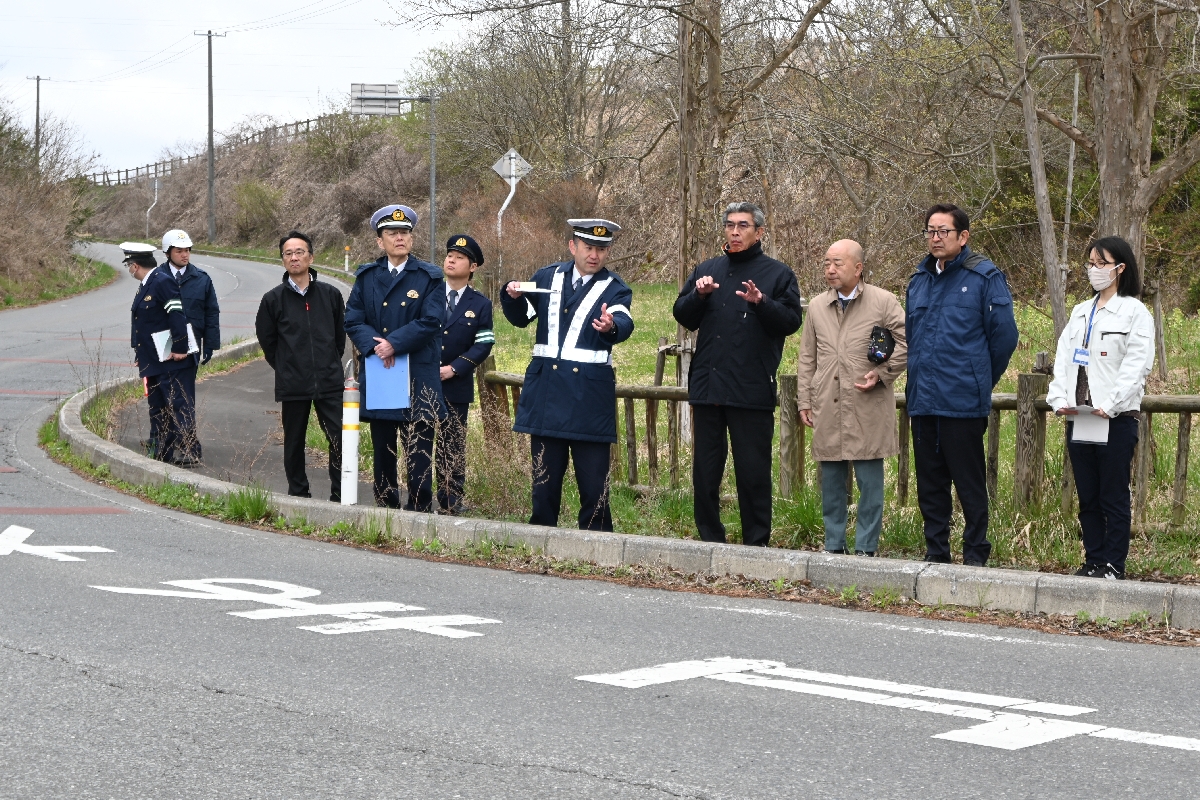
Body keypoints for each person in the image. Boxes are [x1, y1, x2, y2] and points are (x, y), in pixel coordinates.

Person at [673, 202, 803, 547]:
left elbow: (791, 322)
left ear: (759, 232)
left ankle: (756, 544)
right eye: (729, 225)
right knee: (705, 471)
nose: (734, 231)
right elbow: (683, 315)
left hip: (751, 388)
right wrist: (699, 296)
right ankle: (710, 539)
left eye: (743, 225)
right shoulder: (709, 269)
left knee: (753, 473)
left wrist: (761, 303)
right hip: (708, 387)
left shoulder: (779, 274)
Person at [500, 218, 634, 531]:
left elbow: (623, 321)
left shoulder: (615, 288)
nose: (595, 255)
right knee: (544, 483)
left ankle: (598, 544)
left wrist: (611, 327)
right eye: (589, 247)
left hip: (589, 400)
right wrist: (512, 297)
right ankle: (541, 537)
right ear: (573, 246)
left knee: (594, 485)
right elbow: (522, 318)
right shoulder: (547, 276)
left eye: (602, 249)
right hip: (547, 395)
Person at [905, 203, 1019, 567]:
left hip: (962, 401)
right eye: (930, 231)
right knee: (930, 485)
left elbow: (1004, 338)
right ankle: (935, 553)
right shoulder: (919, 280)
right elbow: (912, 337)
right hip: (923, 401)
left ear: (963, 236)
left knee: (968, 484)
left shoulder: (984, 277)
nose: (935, 238)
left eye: (943, 232)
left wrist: (980, 377)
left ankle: (974, 555)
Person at [1047, 236, 1154, 580]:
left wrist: (1109, 405)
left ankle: (1113, 564)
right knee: (1088, 495)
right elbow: (1064, 360)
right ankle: (1092, 560)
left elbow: (1137, 366)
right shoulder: (1081, 312)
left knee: (1113, 495)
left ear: (1120, 268)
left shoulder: (1135, 312)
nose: (1093, 270)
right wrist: (1060, 399)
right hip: (1080, 417)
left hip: (1116, 418)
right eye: (1090, 264)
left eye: (1101, 264)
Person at [797, 239, 907, 556]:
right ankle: (834, 545)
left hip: (867, 402)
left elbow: (908, 343)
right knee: (831, 480)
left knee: (870, 482)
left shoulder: (884, 302)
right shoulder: (817, 306)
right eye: (827, 263)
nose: (830, 269)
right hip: (827, 400)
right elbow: (807, 358)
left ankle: (866, 548)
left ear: (858, 268)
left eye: (838, 263)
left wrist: (883, 373)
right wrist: (805, 399)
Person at [345, 204, 447, 511]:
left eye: (404, 233)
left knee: (419, 452)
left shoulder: (429, 277)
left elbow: (431, 321)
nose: (399, 238)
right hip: (382, 373)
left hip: (418, 374)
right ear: (380, 241)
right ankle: (386, 509)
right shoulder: (367, 277)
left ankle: (419, 510)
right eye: (392, 233)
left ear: (411, 239)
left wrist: (393, 344)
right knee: (383, 450)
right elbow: (353, 319)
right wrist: (377, 347)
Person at [255, 230, 347, 502]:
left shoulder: (330, 295)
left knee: (339, 439)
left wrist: (328, 363)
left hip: (329, 382)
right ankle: (298, 494)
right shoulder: (273, 300)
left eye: (299, 252)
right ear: (283, 260)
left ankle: (340, 494)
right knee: (294, 443)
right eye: (288, 253)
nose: (294, 257)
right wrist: (286, 366)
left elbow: (339, 338)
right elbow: (268, 341)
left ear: (311, 256)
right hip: (293, 382)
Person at [435, 234, 494, 514]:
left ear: (472, 267)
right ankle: (420, 497)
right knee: (419, 440)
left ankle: (451, 502)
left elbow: (483, 343)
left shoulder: (480, 304)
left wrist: (454, 369)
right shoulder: (429, 294)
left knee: (453, 444)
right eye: (449, 255)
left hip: (455, 383)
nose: (451, 260)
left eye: (459, 257)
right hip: (423, 379)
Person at [121, 241, 194, 465]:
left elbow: (177, 315)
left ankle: (185, 452)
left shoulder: (161, 281)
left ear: (134, 266)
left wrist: (180, 348)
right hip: (153, 360)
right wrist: (140, 356)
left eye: (129, 266)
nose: (129, 270)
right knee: (158, 408)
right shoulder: (147, 283)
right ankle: (162, 454)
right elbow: (144, 323)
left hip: (170, 360)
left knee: (176, 406)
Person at [160, 228, 219, 463]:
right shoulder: (156, 278)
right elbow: (142, 314)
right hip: (162, 345)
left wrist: (211, 344)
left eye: (187, 250)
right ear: (168, 252)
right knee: (163, 397)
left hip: (190, 347)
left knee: (183, 398)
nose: (185, 255)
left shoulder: (201, 279)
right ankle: (164, 444)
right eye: (179, 251)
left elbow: (211, 313)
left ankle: (190, 448)